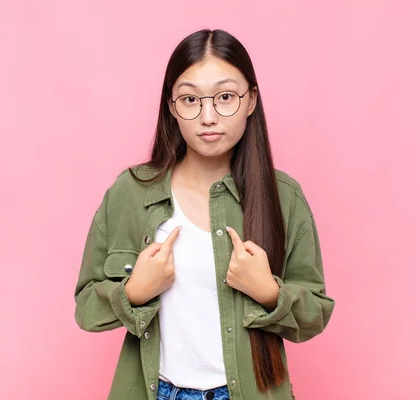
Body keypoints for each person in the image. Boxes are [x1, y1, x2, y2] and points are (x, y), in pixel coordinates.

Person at [74, 28, 335, 400]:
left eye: (225, 97)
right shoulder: (130, 193)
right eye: (191, 99)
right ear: (171, 105)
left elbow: (315, 315)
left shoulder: (283, 197)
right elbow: (86, 309)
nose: (208, 116)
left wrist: (268, 291)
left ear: (251, 100)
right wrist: (134, 292)